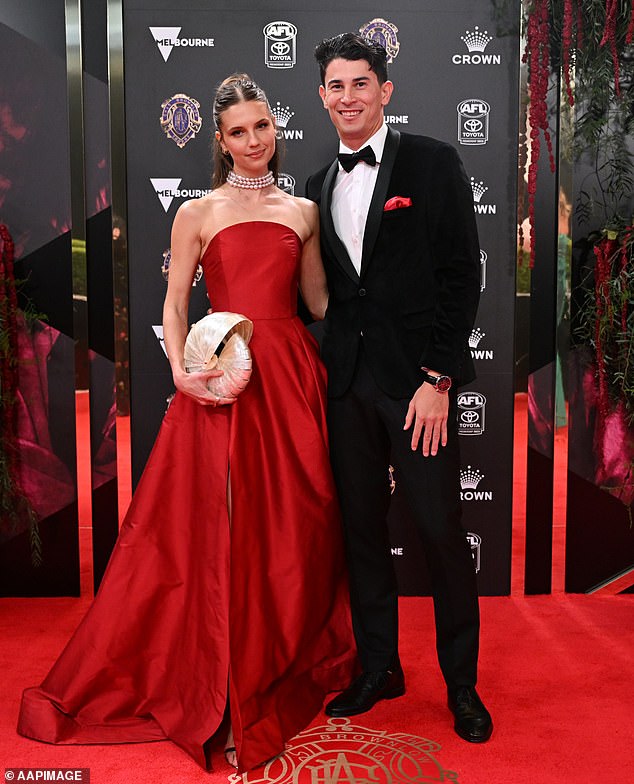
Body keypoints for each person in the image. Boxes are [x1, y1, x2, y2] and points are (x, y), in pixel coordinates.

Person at [17, 74, 357, 773]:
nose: (254, 140)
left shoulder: (303, 211)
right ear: (221, 141)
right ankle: (225, 691)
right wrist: (180, 370)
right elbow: (174, 304)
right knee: (220, 537)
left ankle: (273, 665)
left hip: (291, 376)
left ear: (275, 129)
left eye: (262, 126)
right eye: (239, 131)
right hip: (225, 378)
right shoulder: (198, 212)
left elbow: (321, 304)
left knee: (295, 527)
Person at [306, 33, 493, 743]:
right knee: (360, 535)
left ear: (385, 90)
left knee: (442, 534)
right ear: (322, 97)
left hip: (418, 389)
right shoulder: (318, 184)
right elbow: (324, 298)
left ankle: (463, 686)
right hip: (348, 387)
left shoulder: (433, 161)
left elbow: (459, 275)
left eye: (361, 83)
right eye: (335, 85)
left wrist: (438, 379)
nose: (348, 96)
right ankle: (380, 666)